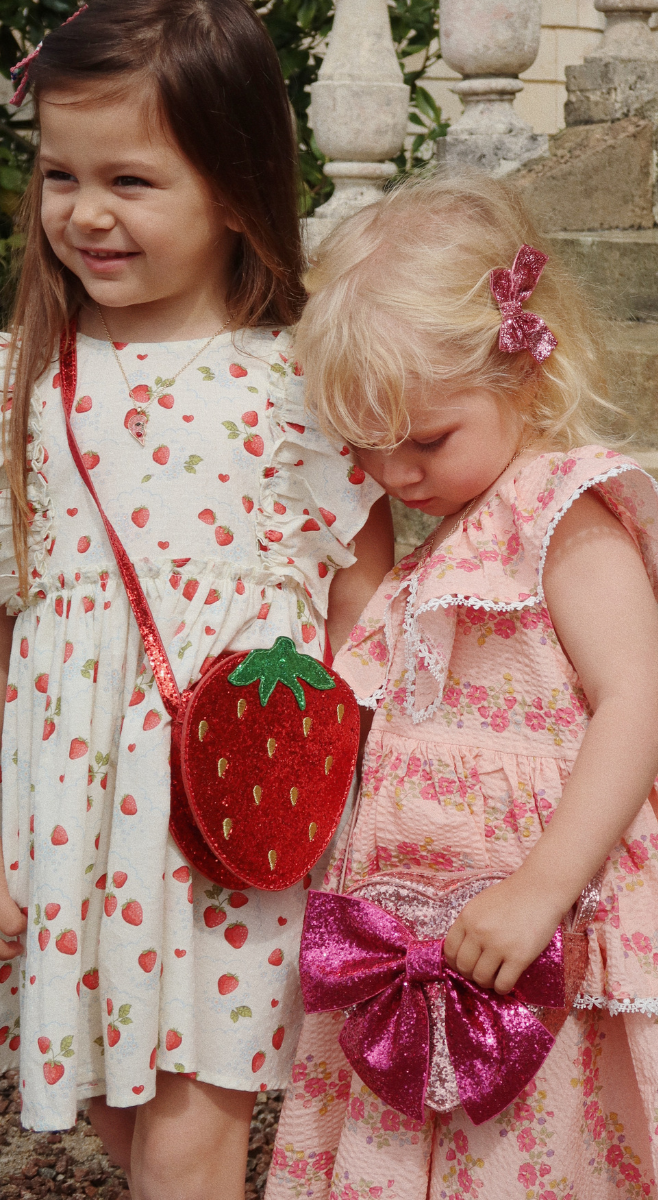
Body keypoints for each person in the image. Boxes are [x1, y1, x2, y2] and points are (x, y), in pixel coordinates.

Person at [265, 171, 658, 1200]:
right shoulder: (442, 540)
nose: (396, 474)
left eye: (426, 441)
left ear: (524, 372)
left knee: (559, 1138)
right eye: (367, 447)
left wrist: (539, 891)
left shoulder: (563, 516)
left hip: (553, 905)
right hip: (424, 910)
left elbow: (638, 703)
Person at [0, 3, 394, 1196]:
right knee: (119, 1116)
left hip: (228, 817)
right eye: (59, 175)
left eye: (129, 179)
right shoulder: (28, 379)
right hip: (67, 817)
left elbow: (366, 609)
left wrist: (362, 801)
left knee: (192, 1124)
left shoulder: (299, 384)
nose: (85, 213)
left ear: (231, 186)